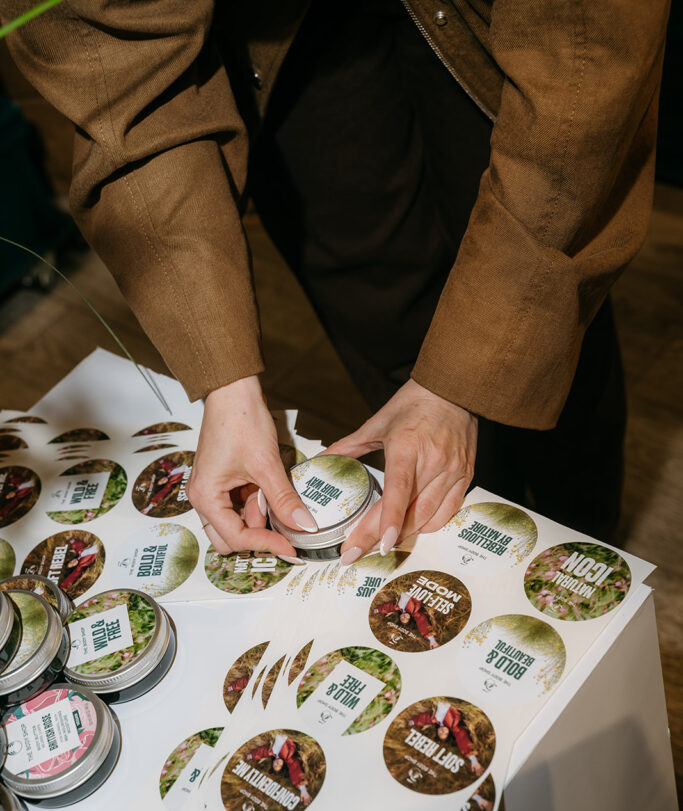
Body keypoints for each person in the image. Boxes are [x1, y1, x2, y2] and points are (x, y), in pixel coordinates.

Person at [3, 1, 669, 551]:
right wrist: (226, 386)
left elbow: (584, 78)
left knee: (541, 318)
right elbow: (124, 87)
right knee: (379, 303)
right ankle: (460, 525)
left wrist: (464, 380)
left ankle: (581, 537)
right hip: (280, 29)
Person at [409, 700, 484, 776]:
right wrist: (474, 760)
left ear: (437, 731)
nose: (442, 732)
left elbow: (424, 719)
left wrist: (413, 722)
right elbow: (462, 740)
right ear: (449, 733)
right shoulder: (454, 725)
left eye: (440, 734)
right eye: (445, 734)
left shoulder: (434, 719)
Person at [245, 733, 312, 805]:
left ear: (273, 762)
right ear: (283, 766)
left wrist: (251, 756)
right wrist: (303, 790)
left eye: (275, 765)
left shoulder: (271, 752)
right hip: (288, 734)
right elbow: (295, 771)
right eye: (279, 766)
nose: (277, 764)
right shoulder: (288, 758)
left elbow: (262, 752)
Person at [373, 591, 439, 648]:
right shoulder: (415, 611)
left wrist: (378, 610)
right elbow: (422, 623)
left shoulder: (398, 607)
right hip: (413, 590)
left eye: (402, 618)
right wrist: (432, 640)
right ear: (410, 619)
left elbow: (389, 607)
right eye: (406, 618)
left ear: (399, 616)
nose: (404, 617)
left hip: (404, 588)